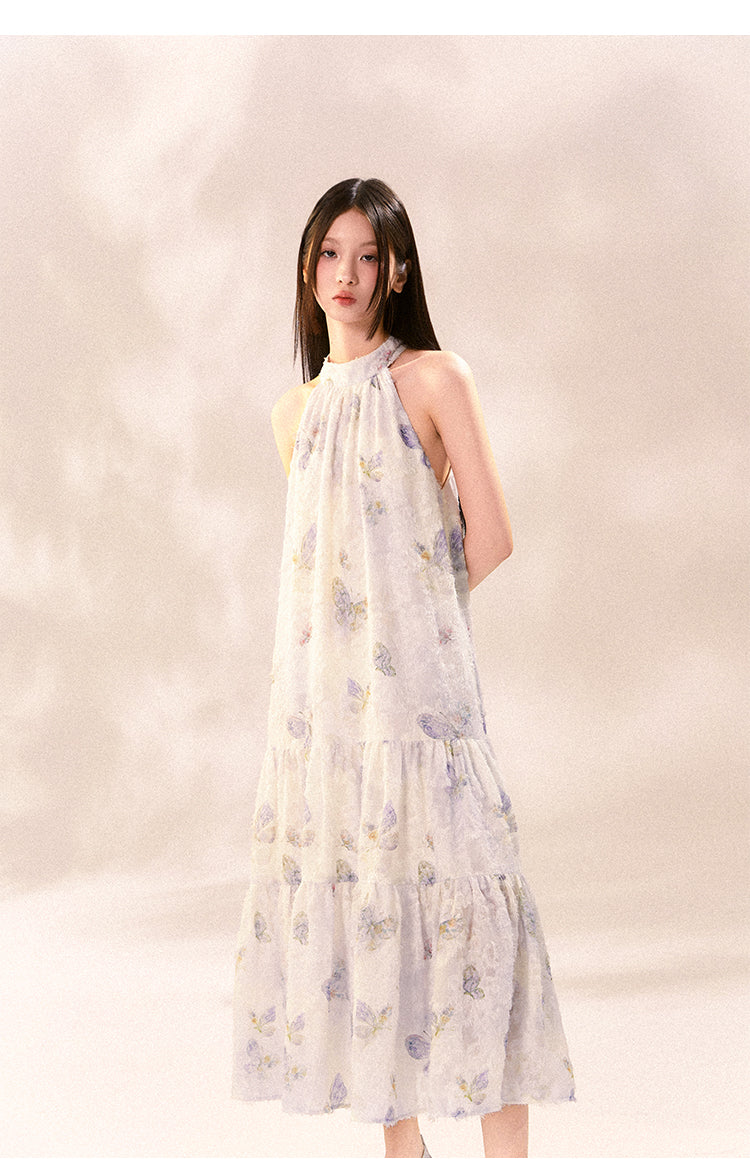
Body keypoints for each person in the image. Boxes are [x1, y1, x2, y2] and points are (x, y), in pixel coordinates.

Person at [232, 177, 575, 1159]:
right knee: (364, 924)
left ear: (396, 270)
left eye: (367, 256)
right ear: (308, 268)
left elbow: (490, 535)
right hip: (327, 726)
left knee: (477, 926)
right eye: (329, 253)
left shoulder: (433, 380)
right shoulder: (293, 414)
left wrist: (413, 623)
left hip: (425, 715)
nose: (345, 273)